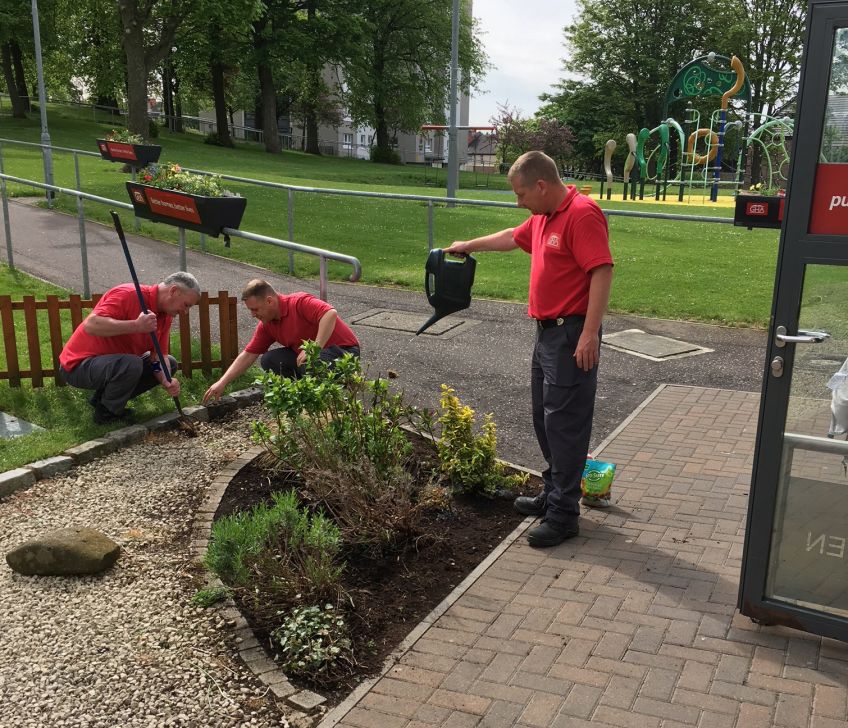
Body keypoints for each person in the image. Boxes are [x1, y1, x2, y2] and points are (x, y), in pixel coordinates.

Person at [444, 151, 614, 548]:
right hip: (546, 334)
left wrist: (590, 334)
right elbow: (510, 236)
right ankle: (553, 493)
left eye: (521, 194)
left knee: (565, 425)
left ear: (541, 185)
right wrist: (468, 244)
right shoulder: (543, 217)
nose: (518, 202)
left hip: (571, 335)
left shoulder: (582, 213)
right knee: (544, 417)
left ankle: (564, 515)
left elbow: (601, 271)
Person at [59, 272, 202, 425]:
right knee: (132, 364)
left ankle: (101, 400)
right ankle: (107, 414)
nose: (185, 312)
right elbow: (91, 325)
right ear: (174, 291)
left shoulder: (165, 316)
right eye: (186, 305)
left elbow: (157, 357)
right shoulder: (128, 294)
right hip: (78, 366)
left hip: (112, 365)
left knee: (170, 364)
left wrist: (166, 380)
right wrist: (136, 326)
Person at [202, 279, 360, 403]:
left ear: (269, 301)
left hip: (345, 352)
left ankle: (330, 397)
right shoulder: (267, 324)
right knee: (270, 360)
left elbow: (329, 313)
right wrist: (222, 382)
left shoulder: (299, 302)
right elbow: (249, 354)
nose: (252, 314)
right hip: (313, 357)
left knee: (310, 362)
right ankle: (303, 397)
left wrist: (314, 347)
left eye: (255, 309)